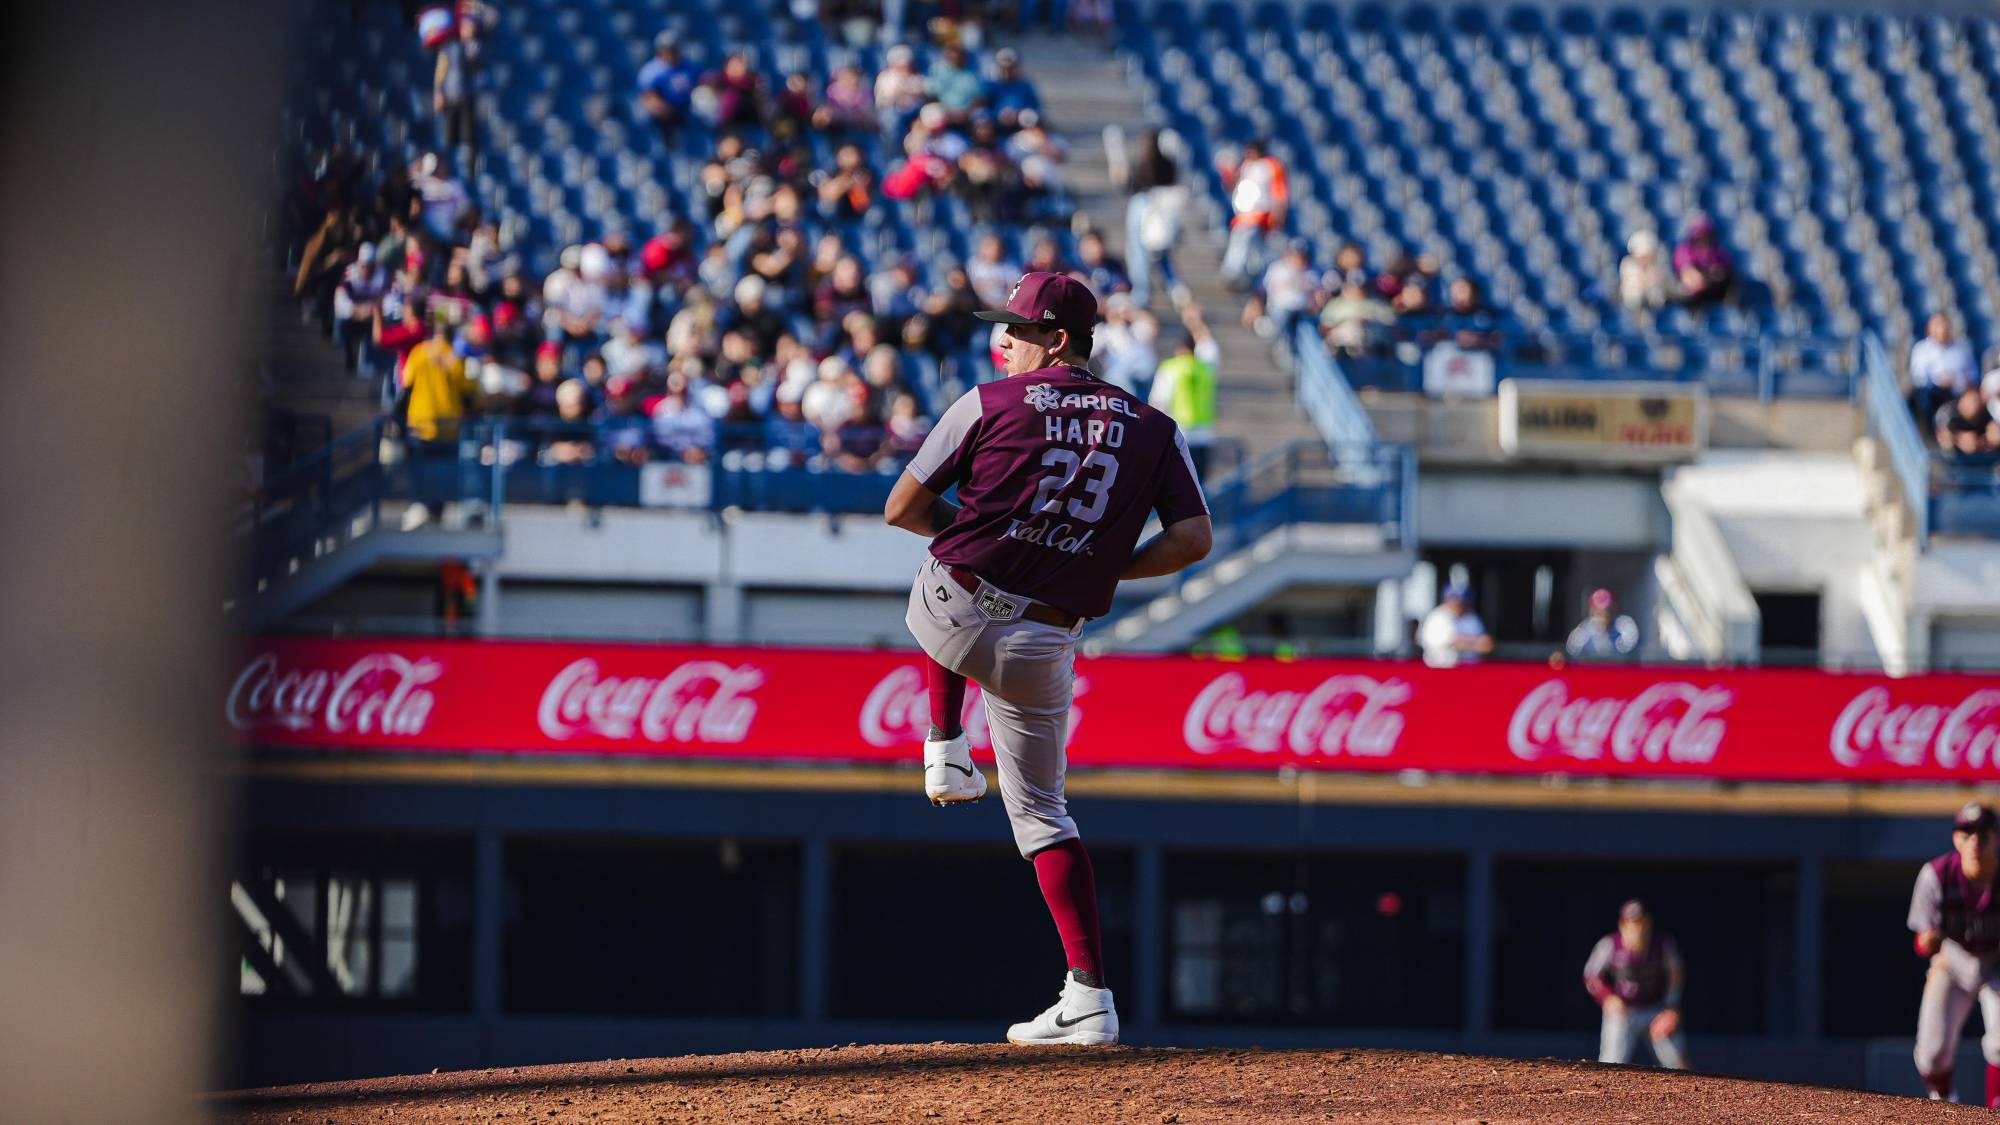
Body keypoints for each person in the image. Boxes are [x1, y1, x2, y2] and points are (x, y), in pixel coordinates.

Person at [883, 271, 1212, 1046]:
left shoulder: (988, 402)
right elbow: (1196, 539)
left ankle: (943, 743)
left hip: (956, 609)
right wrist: (1098, 565)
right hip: (1046, 639)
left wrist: (985, 535)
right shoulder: (1156, 427)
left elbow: (901, 508)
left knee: (945, 557)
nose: (1003, 340)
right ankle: (1090, 995)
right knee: (1042, 814)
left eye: (1017, 330)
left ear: (1056, 340)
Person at [1910, 802, 2000, 1105]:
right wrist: (1928, 941)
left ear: (1996, 838)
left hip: (1997, 960)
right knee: (1932, 1055)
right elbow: (1921, 942)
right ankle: (1946, 1106)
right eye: (1967, 832)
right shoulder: (1936, 875)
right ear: (1956, 839)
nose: (1975, 840)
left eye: (1982, 833)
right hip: (1954, 958)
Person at [1584, 900, 1688, 1070]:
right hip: (1625, 1011)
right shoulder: (1610, 944)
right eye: (1632, 924)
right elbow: (1591, 975)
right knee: (1610, 1063)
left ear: (1649, 924)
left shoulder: (1662, 944)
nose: (1637, 929)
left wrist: (1671, 1007)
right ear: (1622, 925)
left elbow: (1676, 974)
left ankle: (1692, 1095)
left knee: (1677, 1062)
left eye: (1641, 923)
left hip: (1655, 1010)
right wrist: (1608, 998)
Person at [1147, 303, 1218, 479]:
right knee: (1201, 489)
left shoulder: (1171, 368)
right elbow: (1211, 348)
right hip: (1204, 435)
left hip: (1180, 435)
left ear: (1180, 349)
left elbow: (1158, 402)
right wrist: (1197, 323)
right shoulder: (1206, 368)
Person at [1124, 128, 1187, 309]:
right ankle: (1175, 287)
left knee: (1139, 253)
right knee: (1161, 254)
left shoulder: (1149, 164)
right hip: (1161, 210)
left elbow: (1133, 185)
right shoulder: (1170, 163)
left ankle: (1142, 294)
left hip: (1146, 208)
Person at [1219, 140, 1287, 290]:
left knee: (1246, 244)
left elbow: (1279, 192)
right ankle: (1251, 278)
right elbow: (1233, 185)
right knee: (1250, 248)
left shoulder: (1271, 165)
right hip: (1244, 215)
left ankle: (1234, 273)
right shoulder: (1246, 166)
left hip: (1260, 215)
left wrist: (1278, 213)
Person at [1911, 312, 1980, 430]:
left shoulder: (1962, 349)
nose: (1942, 329)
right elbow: (1918, 376)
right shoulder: (1921, 349)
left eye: (1944, 324)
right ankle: (1931, 433)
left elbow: (1974, 374)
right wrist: (1938, 379)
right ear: (1929, 329)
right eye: (1937, 325)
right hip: (1934, 392)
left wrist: (1956, 380)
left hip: (1958, 393)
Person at [636, 32, 701, 142]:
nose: (670, 53)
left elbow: (701, 83)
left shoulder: (690, 68)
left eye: (673, 49)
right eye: (666, 49)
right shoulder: (651, 71)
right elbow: (648, 97)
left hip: (686, 113)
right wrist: (667, 110)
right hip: (660, 119)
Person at [1419, 581, 1492, 668]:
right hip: (1440, 669)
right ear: (1446, 599)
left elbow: (1487, 643)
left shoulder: (1471, 617)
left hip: (1469, 669)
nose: (1457, 603)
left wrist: (1470, 643)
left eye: (1462, 600)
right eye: (1453, 598)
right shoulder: (1437, 617)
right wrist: (1475, 643)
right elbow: (1452, 643)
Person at [1671, 213, 1734, 310]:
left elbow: (1724, 272)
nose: (1703, 239)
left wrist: (1716, 274)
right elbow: (1689, 275)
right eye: (1699, 236)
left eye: (1706, 235)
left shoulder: (1718, 251)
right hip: (1691, 296)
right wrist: (1703, 277)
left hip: (1713, 291)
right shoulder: (1684, 250)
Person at [1565, 588, 1640, 659]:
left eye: (1604, 611)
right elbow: (1572, 652)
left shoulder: (1624, 625)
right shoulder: (1584, 629)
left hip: (1619, 669)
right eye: (1597, 611)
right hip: (1592, 670)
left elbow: (1629, 653)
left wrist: (1607, 633)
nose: (1600, 615)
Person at [1618, 230, 1673, 313]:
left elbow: (1661, 280)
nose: (1645, 259)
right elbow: (1630, 282)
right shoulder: (1627, 264)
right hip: (1633, 300)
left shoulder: (1658, 264)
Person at [1937, 386, 2000, 458]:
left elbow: (1995, 435)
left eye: (1976, 400)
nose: (1973, 405)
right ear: (1963, 398)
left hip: (1981, 460)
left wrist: (1981, 442)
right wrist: (1959, 439)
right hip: (1954, 461)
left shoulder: (1985, 414)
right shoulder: (1947, 412)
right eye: (1972, 400)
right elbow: (1943, 438)